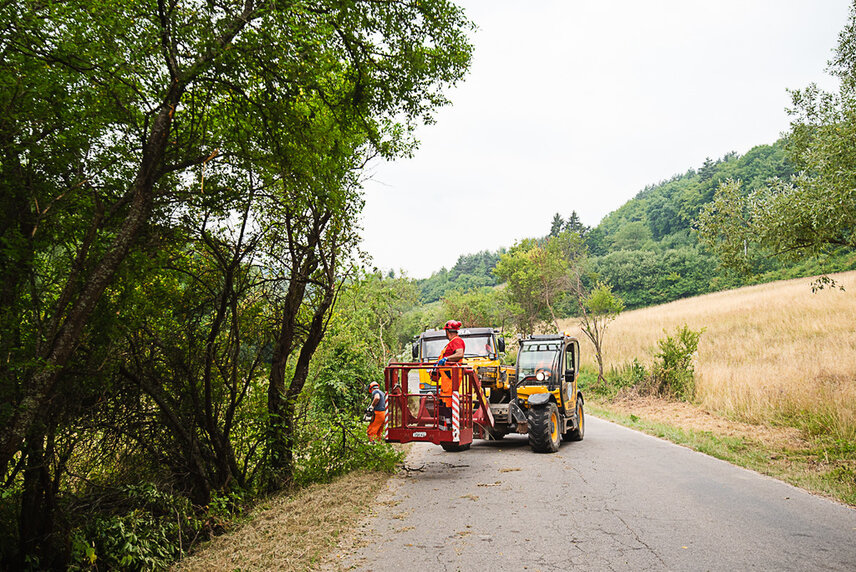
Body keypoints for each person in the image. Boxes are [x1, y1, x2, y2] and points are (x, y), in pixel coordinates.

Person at [435, 320, 464, 427]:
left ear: (447, 331)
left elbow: (460, 354)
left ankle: (450, 426)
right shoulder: (452, 343)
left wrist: (446, 359)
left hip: (451, 376)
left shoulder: (457, 341)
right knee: (444, 401)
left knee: (448, 401)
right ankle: (445, 426)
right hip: (447, 377)